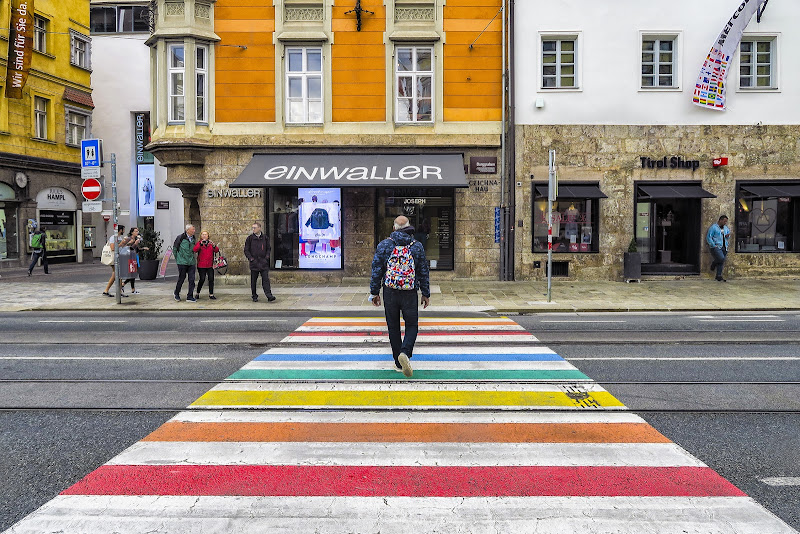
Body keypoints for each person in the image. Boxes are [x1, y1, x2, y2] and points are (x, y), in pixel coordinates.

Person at [369, 215, 431, 377]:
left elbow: (376, 270)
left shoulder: (384, 245)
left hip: (390, 291)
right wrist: (425, 293)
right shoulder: (416, 246)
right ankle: (405, 351)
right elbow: (423, 271)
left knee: (393, 326)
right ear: (409, 227)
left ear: (394, 227)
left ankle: (398, 362)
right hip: (409, 292)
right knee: (412, 325)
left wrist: (374, 292)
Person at [244, 222, 275, 302]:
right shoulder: (250, 238)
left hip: (263, 262)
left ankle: (269, 295)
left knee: (265, 280)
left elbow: (268, 248)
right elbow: (246, 250)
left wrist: (267, 257)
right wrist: (251, 258)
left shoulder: (265, 238)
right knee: (253, 280)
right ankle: (254, 295)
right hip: (254, 263)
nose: (253, 229)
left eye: (254, 228)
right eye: (252, 228)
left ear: (259, 228)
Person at [173, 224, 197, 302]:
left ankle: (190, 296)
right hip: (182, 262)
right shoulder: (180, 237)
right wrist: (178, 259)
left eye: (194, 229)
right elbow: (175, 249)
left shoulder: (193, 238)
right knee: (182, 278)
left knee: (192, 279)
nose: (194, 231)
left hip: (191, 262)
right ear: (187, 230)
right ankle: (176, 293)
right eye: (192, 229)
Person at [103, 225, 127, 297]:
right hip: (114, 258)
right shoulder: (113, 237)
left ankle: (118, 291)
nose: (124, 231)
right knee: (116, 274)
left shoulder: (119, 237)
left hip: (118, 257)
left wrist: (125, 243)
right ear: (120, 230)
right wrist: (121, 243)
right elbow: (113, 248)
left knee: (119, 274)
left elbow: (120, 246)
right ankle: (106, 290)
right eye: (123, 229)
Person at [193, 230, 219, 300]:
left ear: (208, 236)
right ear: (201, 236)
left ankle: (211, 294)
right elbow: (195, 250)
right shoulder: (199, 243)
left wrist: (214, 245)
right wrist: (200, 244)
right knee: (202, 279)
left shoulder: (210, 243)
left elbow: (216, 250)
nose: (204, 236)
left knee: (211, 279)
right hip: (201, 265)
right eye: (203, 234)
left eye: (206, 234)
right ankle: (197, 293)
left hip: (210, 265)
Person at [121, 227, 145, 295]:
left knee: (133, 273)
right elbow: (128, 248)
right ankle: (124, 284)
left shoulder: (136, 239)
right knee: (132, 273)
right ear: (132, 232)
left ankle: (132, 289)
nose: (137, 232)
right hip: (129, 258)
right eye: (136, 231)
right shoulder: (129, 239)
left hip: (134, 257)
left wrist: (143, 248)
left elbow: (136, 249)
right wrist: (135, 244)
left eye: (137, 231)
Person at [707, 215, 731, 282]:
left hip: (724, 246)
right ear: (720, 220)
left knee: (721, 262)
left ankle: (718, 275)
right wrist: (713, 245)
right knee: (721, 258)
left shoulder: (726, 228)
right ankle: (714, 264)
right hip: (717, 246)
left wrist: (727, 236)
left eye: (726, 221)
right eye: (724, 221)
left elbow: (728, 236)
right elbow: (709, 237)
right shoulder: (713, 227)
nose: (725, 223)